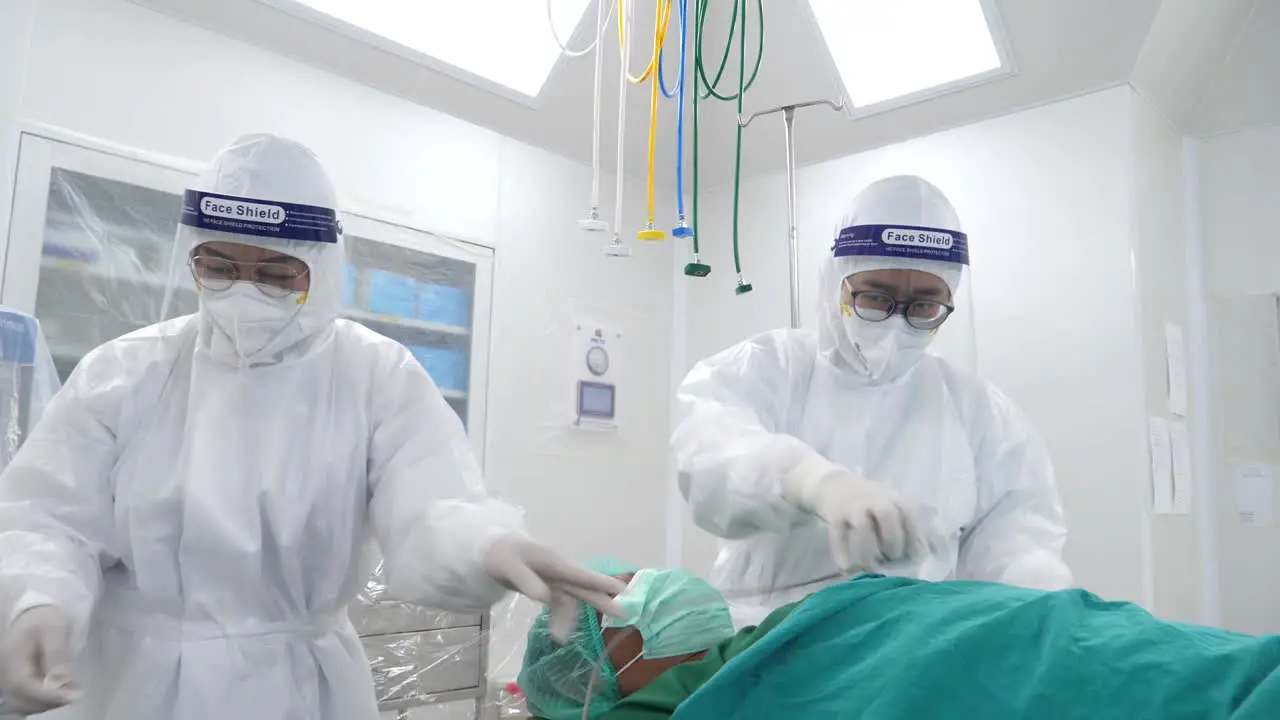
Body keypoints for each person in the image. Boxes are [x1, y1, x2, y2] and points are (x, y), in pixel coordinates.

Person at [0, 134, 624, 719]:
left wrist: (488, 545)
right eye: (217, 267)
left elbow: (432, 506)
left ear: (321, 265)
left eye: (275, 275)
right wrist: (40, 599)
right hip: (131, 685)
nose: (242, 291)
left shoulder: (373, 374)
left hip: (295, 687)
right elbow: (49, 517)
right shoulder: (126, 370)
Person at [672, 175, 1072, 626]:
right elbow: (710, 453)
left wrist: (1052, 608)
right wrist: (811, 481)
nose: (896, 323)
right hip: (763, 641)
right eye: (875, 297)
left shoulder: (980, 412)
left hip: (903, 657)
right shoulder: (771, 367)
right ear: (836, 284)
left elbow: (1016, 543)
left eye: (924, 306)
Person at [517, 563, 1280, 719]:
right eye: (619, 600)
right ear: (600, 674)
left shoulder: (789, 630)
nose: (648, 585)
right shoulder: (708, 701)